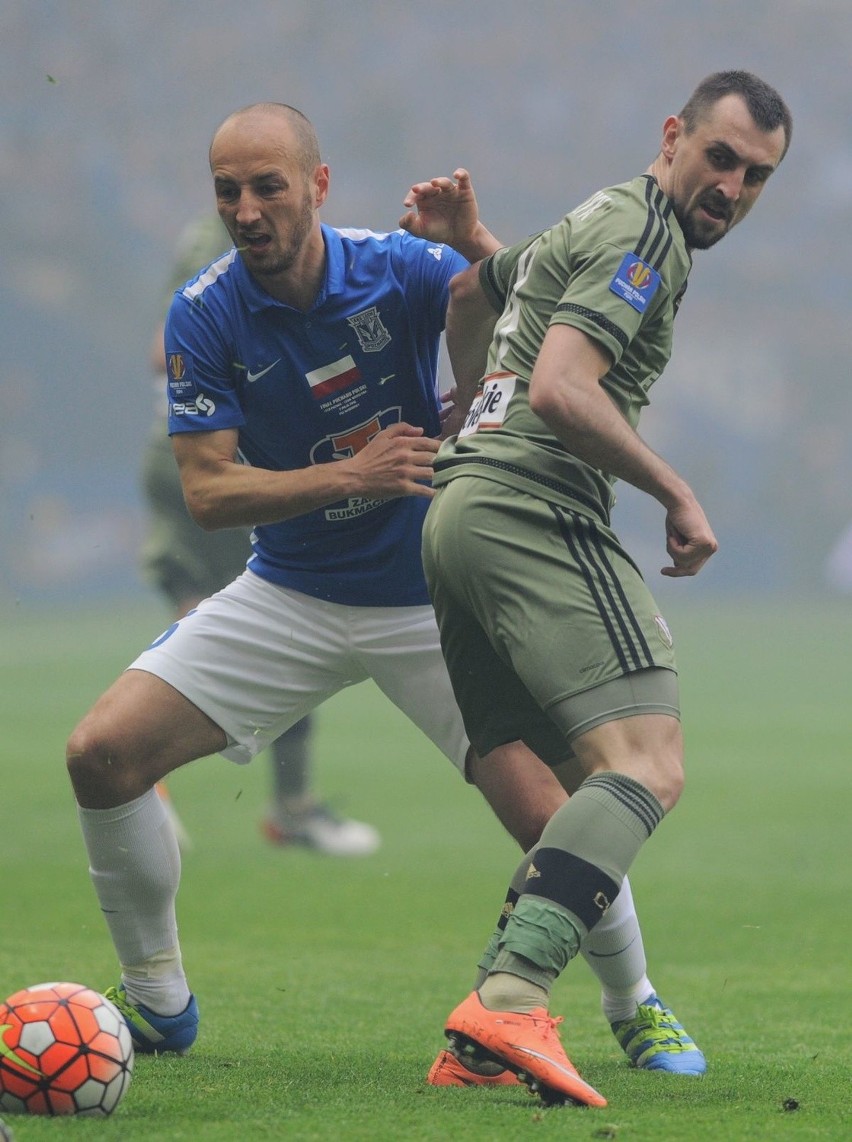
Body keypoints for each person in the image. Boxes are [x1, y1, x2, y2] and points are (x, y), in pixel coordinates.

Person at [66, 102, 698, 1083]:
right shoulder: (205, 309)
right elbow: (206, 491)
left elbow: (524, 317)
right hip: (290, 590)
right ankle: (157, 995)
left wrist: (475, 242)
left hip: (432, 601)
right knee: (100, 755)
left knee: (554, 819)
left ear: (316, 186)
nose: (246, 208)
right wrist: (347, 475)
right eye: (228, 190)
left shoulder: (398, 269)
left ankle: (635, 1002)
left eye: (268, 185)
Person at [421, 70, 791, 1106]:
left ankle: (488, 1030)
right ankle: (510, 993)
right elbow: (560, 386)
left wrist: (459, 423)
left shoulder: (598, 212)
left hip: (457, 514)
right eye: (718, 157)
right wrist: (676, 490)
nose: (730, 187)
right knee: (647, 760)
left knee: (554, 783)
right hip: (535, 506)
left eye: (756, 176)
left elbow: (471, 295)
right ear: (672, 135)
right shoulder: (649, 238)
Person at [142, 213, 380, 857]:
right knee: (283, 615)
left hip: (177, 449)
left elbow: (160, 352)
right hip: (221, 457)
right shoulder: (248, 245)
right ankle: (151, 778)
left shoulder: (200, 238)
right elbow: (176, 347)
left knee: (239, 613)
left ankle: (271, 804)